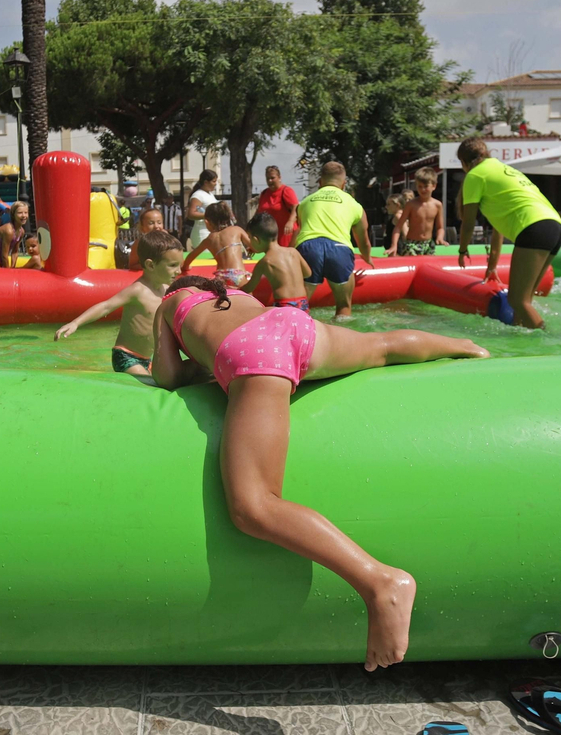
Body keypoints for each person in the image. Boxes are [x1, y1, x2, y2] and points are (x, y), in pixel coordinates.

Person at [150, 274, 488, 671]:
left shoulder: (170, 302)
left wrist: (201, 366)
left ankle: (380, 582)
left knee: (253, 506)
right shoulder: (236, 293)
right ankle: (470, 349)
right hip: (291, 325)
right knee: (382, 347)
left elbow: (167, 374)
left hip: (251, 351)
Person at [453, 136, 561, 329]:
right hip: (555, 226)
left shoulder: (475, 175)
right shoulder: (504, 170)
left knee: (517, 301)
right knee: (525, 301)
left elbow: (468, 221)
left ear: (463, 162)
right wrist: (492, 266)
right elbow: (499, 231)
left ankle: (550, 345)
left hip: (534, 227)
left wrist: (462, 249)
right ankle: (520, 341)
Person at [55, 228, 185, 376]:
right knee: (150, 387)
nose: (179, 271)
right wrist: (76, 323)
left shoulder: (167, 290)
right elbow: (106, 306)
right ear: (150, 265)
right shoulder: (138, 290)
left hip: (148, 360)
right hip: (126, 357)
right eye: (173, 265)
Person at [293, 161, 373, 321]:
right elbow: (363, 240)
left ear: (320, 182)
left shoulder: (305, 202)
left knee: (298, 306)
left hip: (308, 248)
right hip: (339, 248)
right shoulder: (354, 204)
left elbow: (300, 232)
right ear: (343, 184)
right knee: (344, 306)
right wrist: (367, 258)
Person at [241, 212, 313, 311]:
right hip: (303, 302)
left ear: (256, 240)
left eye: (249, 238)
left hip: (284, 304)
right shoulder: (293, 252)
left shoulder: (265, 262)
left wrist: (233, 291)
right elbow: (308, 273)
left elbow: (249, 288)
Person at [179, 202, 251, 288]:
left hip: (221, 277)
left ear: (207, 222)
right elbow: (253, 244)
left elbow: (191, 256)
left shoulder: (210, 239)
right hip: (238, 274)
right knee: (248, 298)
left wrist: (185, 267)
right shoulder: (236, 230)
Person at [392, 167, 447, 256]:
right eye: (419, 186)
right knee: (411, 266)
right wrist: (394, 245)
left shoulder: (437, 205)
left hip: (428, 244)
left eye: (426, 186)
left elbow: (440, 227)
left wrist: (440, 237)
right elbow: (398, 226)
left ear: (434, 186)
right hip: (412, 244)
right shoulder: (411, 204)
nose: (422, 190)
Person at [255, 165, 299, 246]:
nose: (270, 181)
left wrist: (290, 221)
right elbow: (258, 213)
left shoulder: (286, 191)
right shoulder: (264, 193)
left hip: (286, 236)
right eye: (267, 178)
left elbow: (295, 208)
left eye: (272, 178)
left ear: (279, 177)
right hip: (270, 237)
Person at [0, 201, 29, 268]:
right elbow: (4, 255)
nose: (23, 215)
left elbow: (15, 252)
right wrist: (8, 271)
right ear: (13, 214)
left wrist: (13, 267)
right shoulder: (9, 230)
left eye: (26, 213)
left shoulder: (21, 231)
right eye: (20, 213)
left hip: (4, 256)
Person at [185, 169, 219, 249]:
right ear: (206, 182)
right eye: (214, 181)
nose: (216, 184)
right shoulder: (198, 195)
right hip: (202, 232)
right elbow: (191, 214)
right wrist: (210, 215)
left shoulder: (210, 194)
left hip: (211, 231)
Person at [127, 206, 166, 271]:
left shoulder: (167, 240)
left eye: (159, 223)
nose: (156, 226)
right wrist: (153, 267)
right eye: (151, 223)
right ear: (142, 227)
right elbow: (132, 265)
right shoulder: (139, 243)